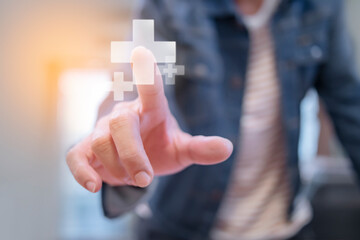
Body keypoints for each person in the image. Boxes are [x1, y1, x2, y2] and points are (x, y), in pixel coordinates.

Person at [66, 0, 360, 239]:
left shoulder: (322, 7)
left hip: (283, 227)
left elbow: (350, 106)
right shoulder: (166, 6)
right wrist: (119, 128)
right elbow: (128, 87)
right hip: (177, 228)